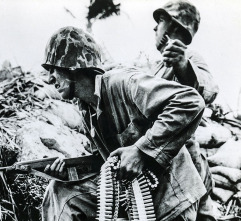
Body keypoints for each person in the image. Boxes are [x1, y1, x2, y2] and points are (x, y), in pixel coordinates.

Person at [41, 26, 207, 221]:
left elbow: (190, 101)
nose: (50, 78)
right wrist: (68, 173)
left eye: (54, 69)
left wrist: (141, 151)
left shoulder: (123, 82)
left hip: (170, 200)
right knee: (60, 191)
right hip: (132, 201)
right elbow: (106, 163)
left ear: (72, 65)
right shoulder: (87, 109)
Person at [152, 1, 219, 220]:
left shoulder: (190, 58)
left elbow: (208, 90)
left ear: (173, 28)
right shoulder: (158, 67)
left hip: (183, 160)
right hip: (161, 159)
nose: (155, 28)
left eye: (160, 21)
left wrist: (183, 67)